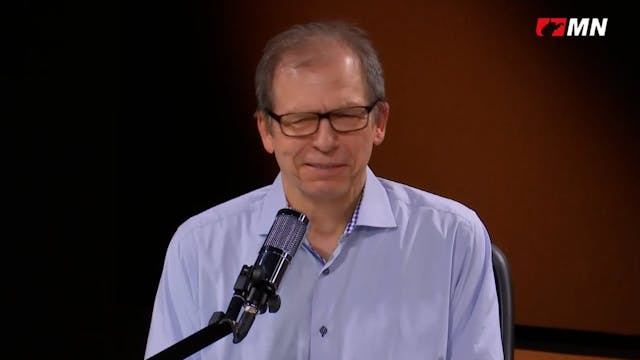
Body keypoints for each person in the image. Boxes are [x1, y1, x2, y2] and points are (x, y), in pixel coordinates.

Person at [145, 20, 504, 359]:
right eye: (299, 120)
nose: (325, 141)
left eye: (346, 116)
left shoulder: (453, 239)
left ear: (379, 123)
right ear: (266, 131)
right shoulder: (197, 247)